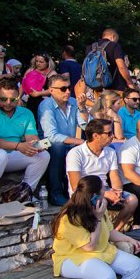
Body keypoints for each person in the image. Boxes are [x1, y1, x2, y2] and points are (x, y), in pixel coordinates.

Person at [0, 78, 50, 206]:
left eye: (13, 100)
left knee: (43, 155)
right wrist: (18, 146)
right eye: (4, 99)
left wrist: (37, 145)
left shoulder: (26, 113)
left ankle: (25, 193)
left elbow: (31, 136)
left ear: (18, 97)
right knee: (0, 154)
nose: (8, 103)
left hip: (14, 154)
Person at [66, 119, 138, 231]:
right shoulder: (75, 153)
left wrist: (117, 192)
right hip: (84, 193)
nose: (112, 136)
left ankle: (113, 232)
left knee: (132, 200)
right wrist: (105, 194)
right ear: (95, 135)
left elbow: (114, 176)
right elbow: (76, 186)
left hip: (104, 189)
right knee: (101, 201)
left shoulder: (110, 152)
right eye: (108, 133)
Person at [38, 75, 84, 205]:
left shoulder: (74, 102)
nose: (68, 91)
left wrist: (82, 108)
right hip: (42, 141)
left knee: (76, 146)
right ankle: (55, 193)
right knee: (58, 146)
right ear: (51, 90)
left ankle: (77, 192)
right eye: (63, 89)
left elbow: (86, 125)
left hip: (67, 140)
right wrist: (78, 141)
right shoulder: (46, 106)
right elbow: (51, 135)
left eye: (69, 88)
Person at [87, 29, 136, 93]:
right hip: (114, 86)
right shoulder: (115, 45)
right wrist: (129, 82)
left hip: (95, 87)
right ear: (113, 36)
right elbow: (121, 66)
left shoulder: (90, 47)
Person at [21, 53, 57, 118]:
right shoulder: (30, 71)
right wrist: (18, 97)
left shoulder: (52, 73)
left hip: (45, 101)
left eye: (41, 62)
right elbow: (23, 85)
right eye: (36, 61)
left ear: (47, 63)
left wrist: (39, 93)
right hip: (31, 101)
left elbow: (55, 89)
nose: (38, 63)